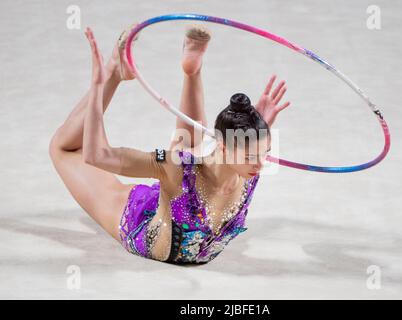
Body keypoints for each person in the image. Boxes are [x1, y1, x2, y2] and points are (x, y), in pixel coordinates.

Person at [49, 24, 291, 264]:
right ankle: (115, 73)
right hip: (140, 221)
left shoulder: (248, 169)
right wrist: (97, 89)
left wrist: (257, 130)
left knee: (187, 161)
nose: (261, 164)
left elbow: (242, 148)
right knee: (61, 148)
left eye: (265, 152)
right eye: (251, 156)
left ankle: (192, 72)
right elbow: (97, 156)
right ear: (224, 147)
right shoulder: (173, 165)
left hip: (181, 194)